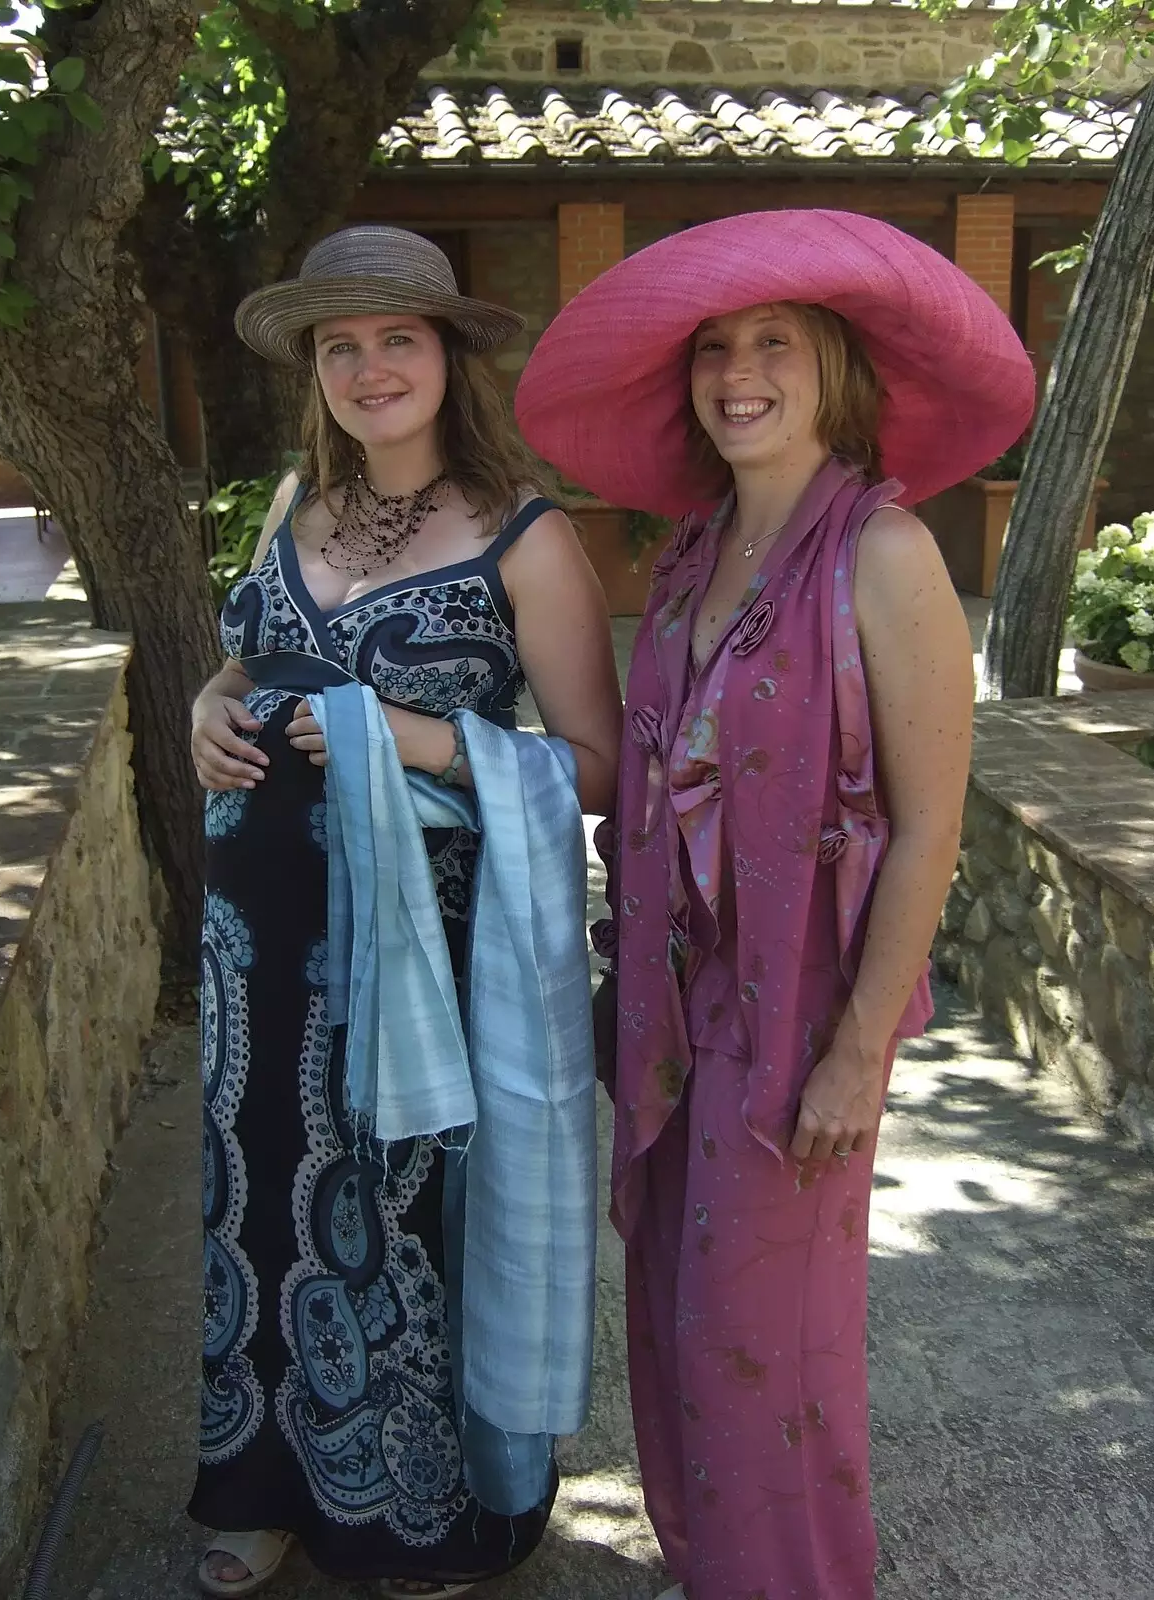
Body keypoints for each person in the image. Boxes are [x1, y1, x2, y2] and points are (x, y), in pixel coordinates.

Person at [515, 210, 1035, 1600]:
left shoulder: (884, 554)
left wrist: (859, 1053)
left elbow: (928, 828)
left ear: (838, 374)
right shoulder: (686, 559)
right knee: (677, 1337)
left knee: (763, 1352)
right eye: (717, 349)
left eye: (777, 347)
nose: (739, 373)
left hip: (798, 1019)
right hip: (672, 1013)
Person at [188, 225, 621, 1598]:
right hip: (251, 958)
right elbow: (248, 660)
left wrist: (425, 744)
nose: (369, 368)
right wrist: (210, 705)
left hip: (420, 960)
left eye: (396, 338)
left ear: (448, 357)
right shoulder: (288, 508)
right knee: (254, 1210)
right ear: (315, 373)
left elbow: (598, 763)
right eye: (340, 347)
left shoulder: (525, 536)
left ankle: (419, 1517)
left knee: (399, 1223)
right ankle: (255, 1489)